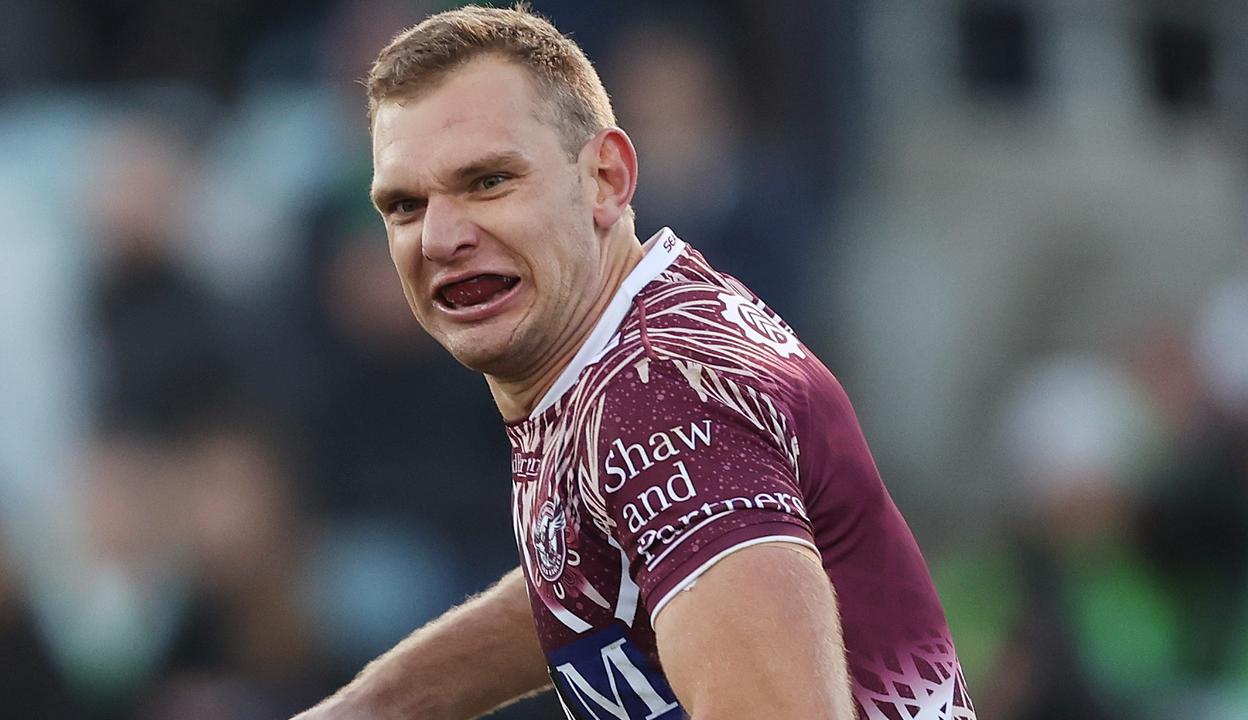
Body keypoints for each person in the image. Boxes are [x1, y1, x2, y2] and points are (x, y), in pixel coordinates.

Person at [295, 5, 974, 719]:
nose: (440, 237)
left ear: (606, 178)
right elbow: (612, 560)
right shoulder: (637, 336)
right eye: (404, 205)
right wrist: (380, 704)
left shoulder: (659, 399)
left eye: (488, 181)